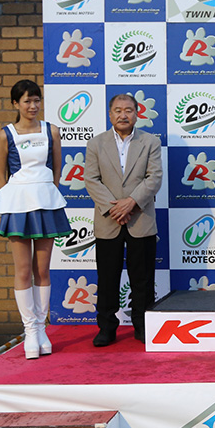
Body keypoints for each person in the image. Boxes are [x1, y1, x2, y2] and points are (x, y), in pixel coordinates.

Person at [0, 80, 72, 359]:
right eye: (27, 101)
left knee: (43, 269)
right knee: (23, 270)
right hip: (18, 206)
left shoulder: (52, 130)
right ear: (15, 104)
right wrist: (13, 199)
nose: (33, 106)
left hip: (46, 202)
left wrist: (48, 193)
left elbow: (57, 169)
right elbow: (0, 174)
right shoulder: (6, 134)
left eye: (36, 100)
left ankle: (41, 328)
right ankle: (30, 331)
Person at [85, 93, 163, 346]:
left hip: (141, 218)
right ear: (110, 114)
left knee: (143, 279)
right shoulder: (96, 143)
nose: (123, 114)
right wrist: (115, 208)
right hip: (108, 221)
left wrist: (131, 202)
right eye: (118, 110)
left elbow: (154, 178)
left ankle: (143, 326)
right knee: (107, 278)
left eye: (128, 110)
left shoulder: (150, 142)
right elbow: (91, 179)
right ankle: (107, 328)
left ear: (137, 114)